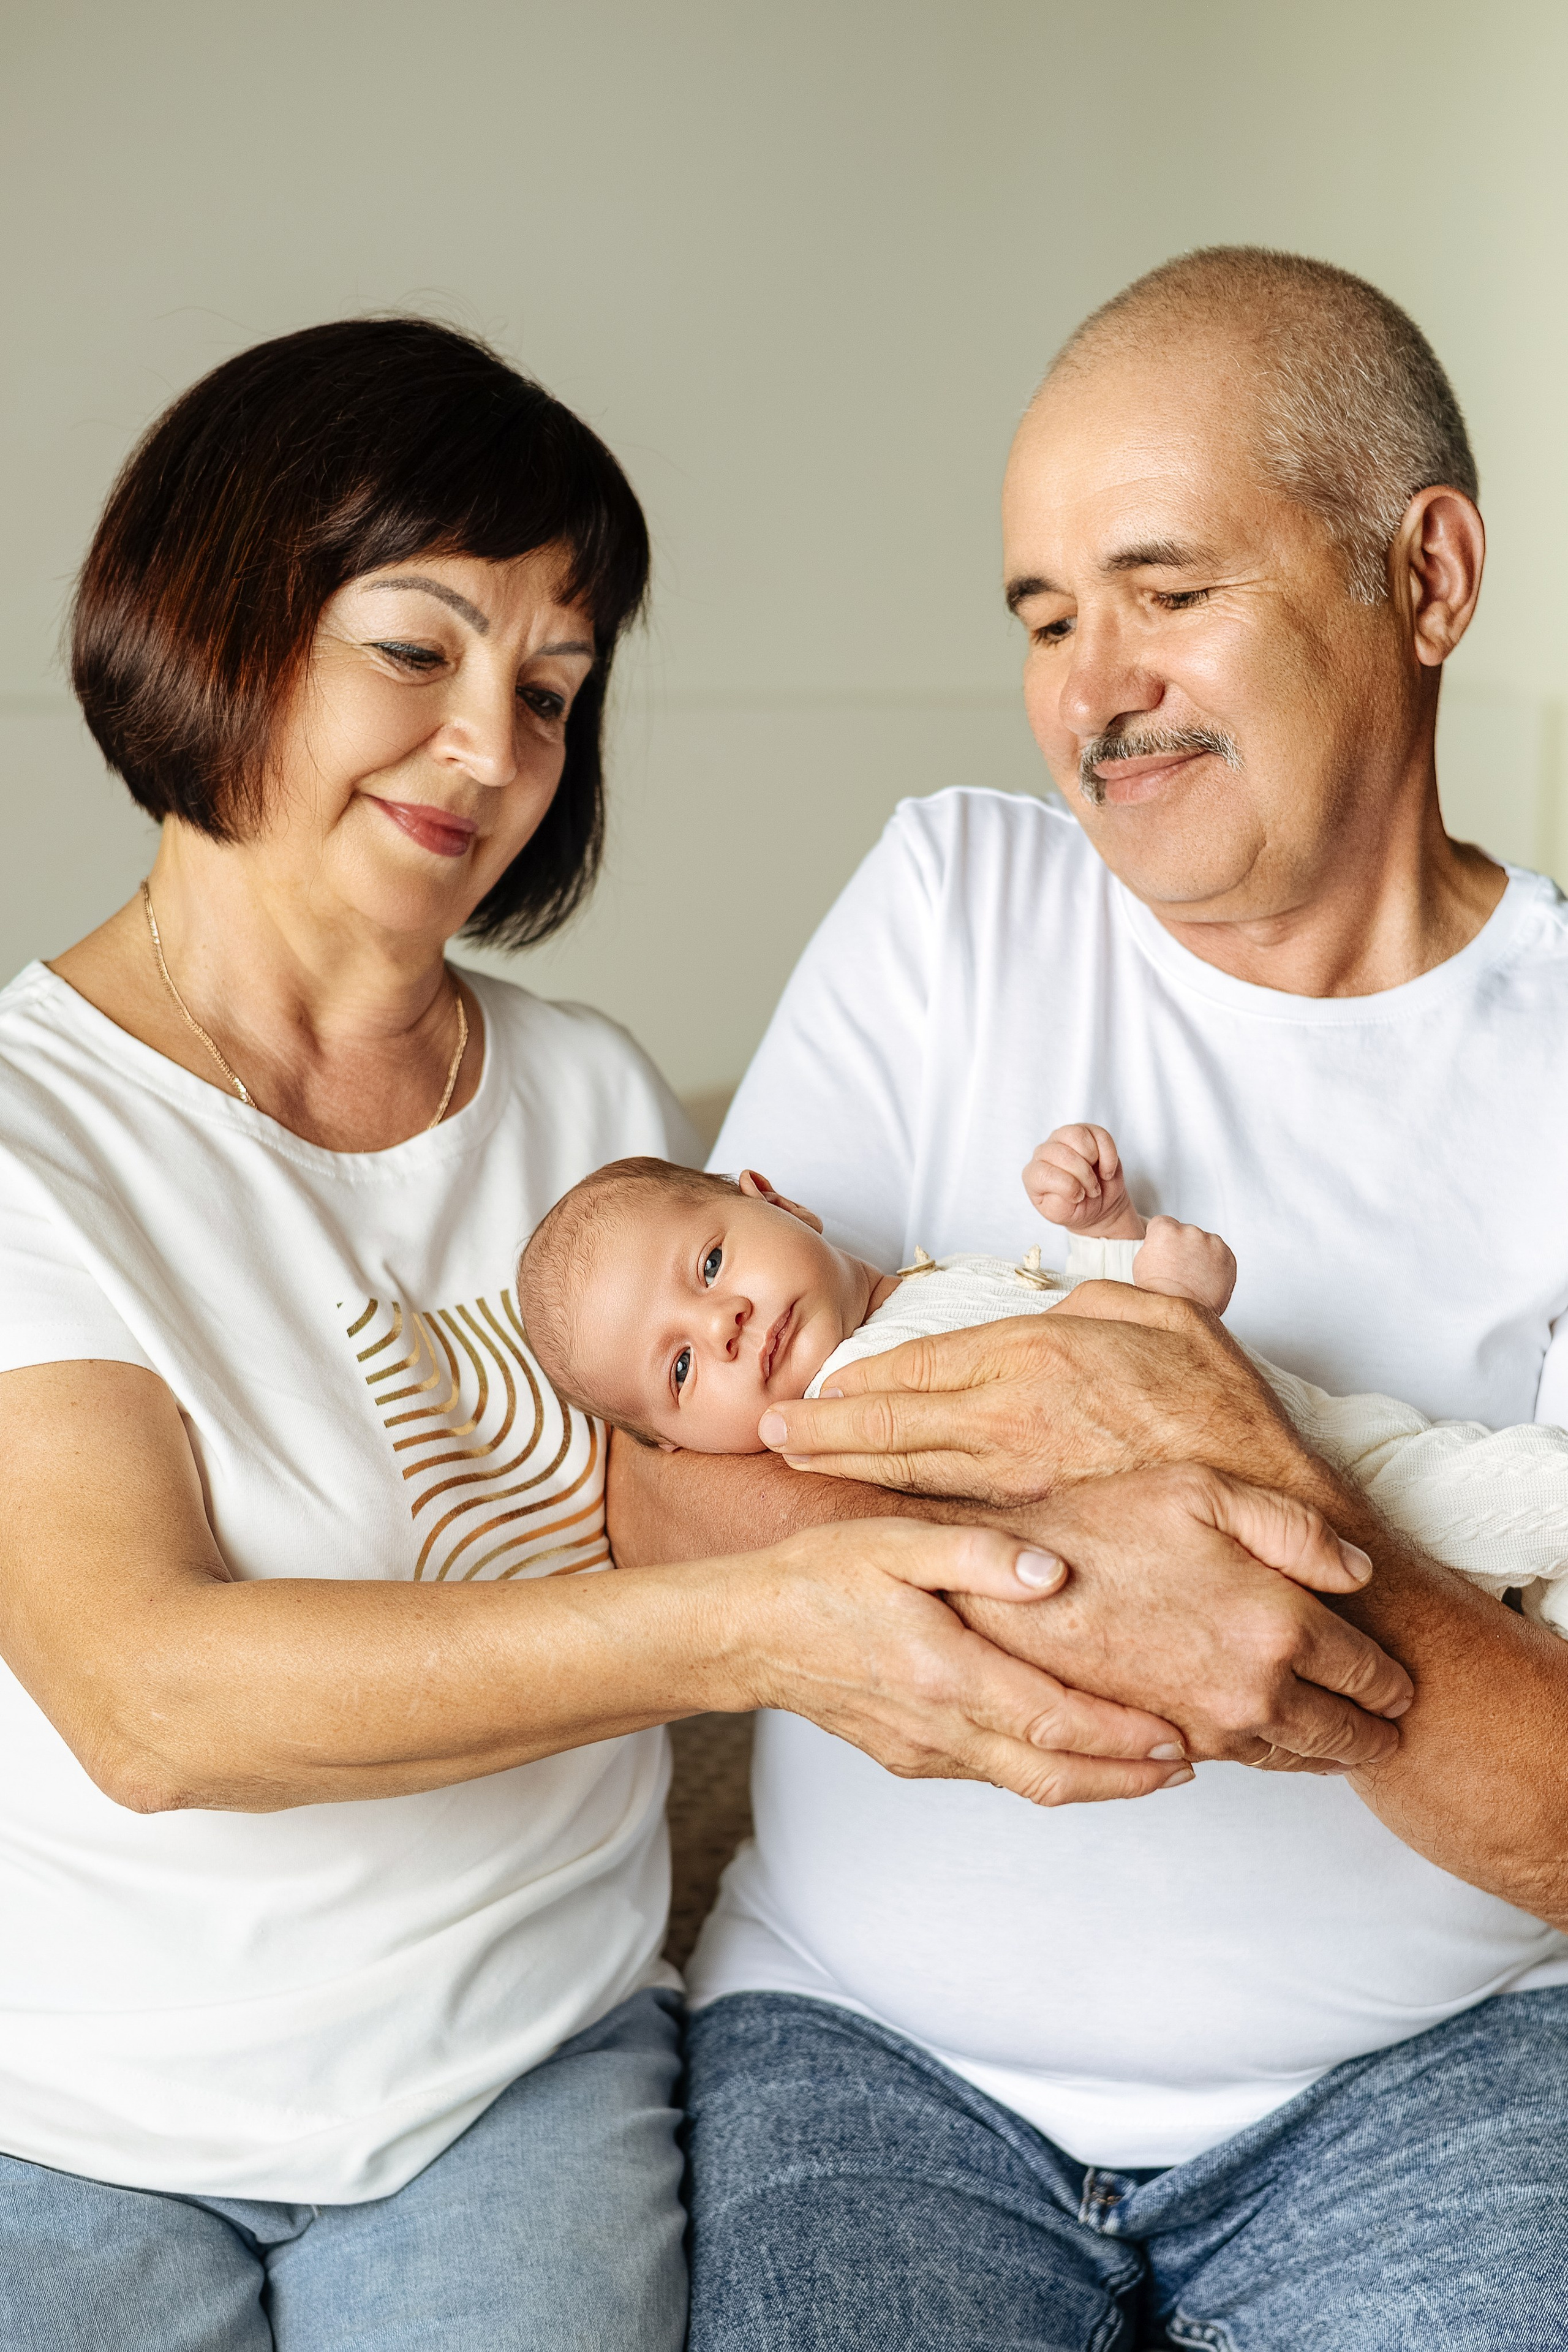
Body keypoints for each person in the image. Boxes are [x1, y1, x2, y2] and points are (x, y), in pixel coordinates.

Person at [0, 318, 1246, 2352]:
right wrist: (778, 1637)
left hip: (520, 2082)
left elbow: (709, 1506)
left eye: (552, 691)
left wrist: (1092, 1518)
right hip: (70, 2111)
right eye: (419, 650)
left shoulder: (593, 1106)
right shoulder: (31, 1129)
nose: (493, 753)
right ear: (214, 614)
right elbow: (149, 1698)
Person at [607, 249, 1568, 2348]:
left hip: (1428, 2085)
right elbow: (664, 1498)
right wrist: (1127, 1556)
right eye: (1045, 617)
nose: (1090, 688)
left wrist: (1314, 1581)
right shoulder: (958, 899)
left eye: (1166, 587)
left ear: (1428, 575)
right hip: (871, 2058)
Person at [517, 1148, 1568, 1618]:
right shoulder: (843, 1413)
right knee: (1514, 1497)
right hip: (1319, 1493)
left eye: (708, 1267)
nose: (727, 1321)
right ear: (679, 1447)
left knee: (1492, 1517)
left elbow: (1065, 1346)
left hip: (1323, 1433)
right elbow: (1064, 1444)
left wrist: (1110, 1239)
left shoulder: (919, 1289)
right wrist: (1161, 1297)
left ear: (775, 1197)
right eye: (684, 1365)